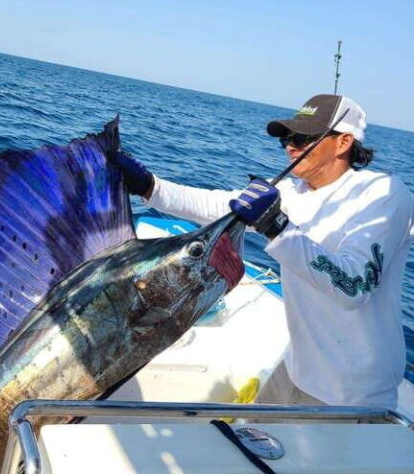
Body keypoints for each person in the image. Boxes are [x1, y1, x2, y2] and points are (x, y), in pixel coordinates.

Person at [114, 94, 413, 409]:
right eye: (286, 138)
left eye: (301, 137)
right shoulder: (291, 191)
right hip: (296, 367)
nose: (290, 146)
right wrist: (149, 186)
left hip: (351, 392)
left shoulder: (385, 195)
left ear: (343, 142)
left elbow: (353, 288)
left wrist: (275, 225)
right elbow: (218, 205)